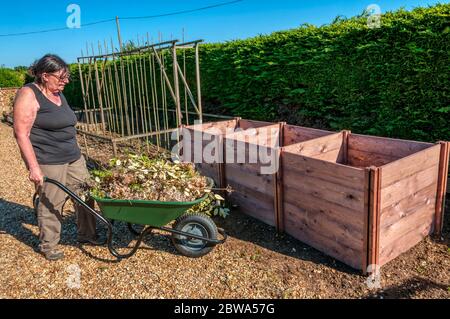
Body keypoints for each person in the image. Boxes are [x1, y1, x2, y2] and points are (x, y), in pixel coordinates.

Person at [13, 54, 98, 261]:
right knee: (52, 202)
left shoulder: (59, 93)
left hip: (73, 157)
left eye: (66, 77)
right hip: (49, 160)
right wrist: (33, 168)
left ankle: (87, 235)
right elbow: (21, 133)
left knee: (86, 195)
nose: (65, 81)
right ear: (44, 75)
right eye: (61, 77)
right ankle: (48, 244)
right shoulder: (28, 94)